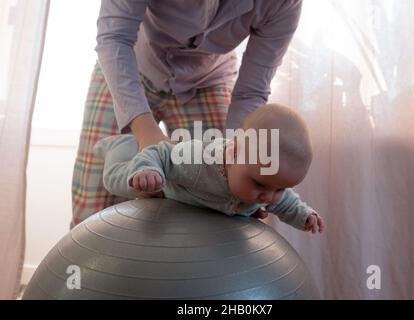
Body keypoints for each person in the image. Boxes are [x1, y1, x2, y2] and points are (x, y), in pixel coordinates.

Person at [72, 0, 304, 227]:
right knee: (93, 205)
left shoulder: (284, 4)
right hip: (128, 68)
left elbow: (251, 92)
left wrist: (244, 181)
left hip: (206, 81)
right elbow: (114, 38)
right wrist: (145, 133)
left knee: (216, 203)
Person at [94, 104, 325, 233]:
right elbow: (160, 151)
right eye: (260, 184)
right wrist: (148, 171)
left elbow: (287, 203)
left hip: (193, 197)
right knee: (118, 182)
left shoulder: (266, 180)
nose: (268, 197)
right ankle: (119, 145)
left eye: (280, 188)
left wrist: (304, 216)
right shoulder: (199, 163)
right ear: (234, 153)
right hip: (167, 183)